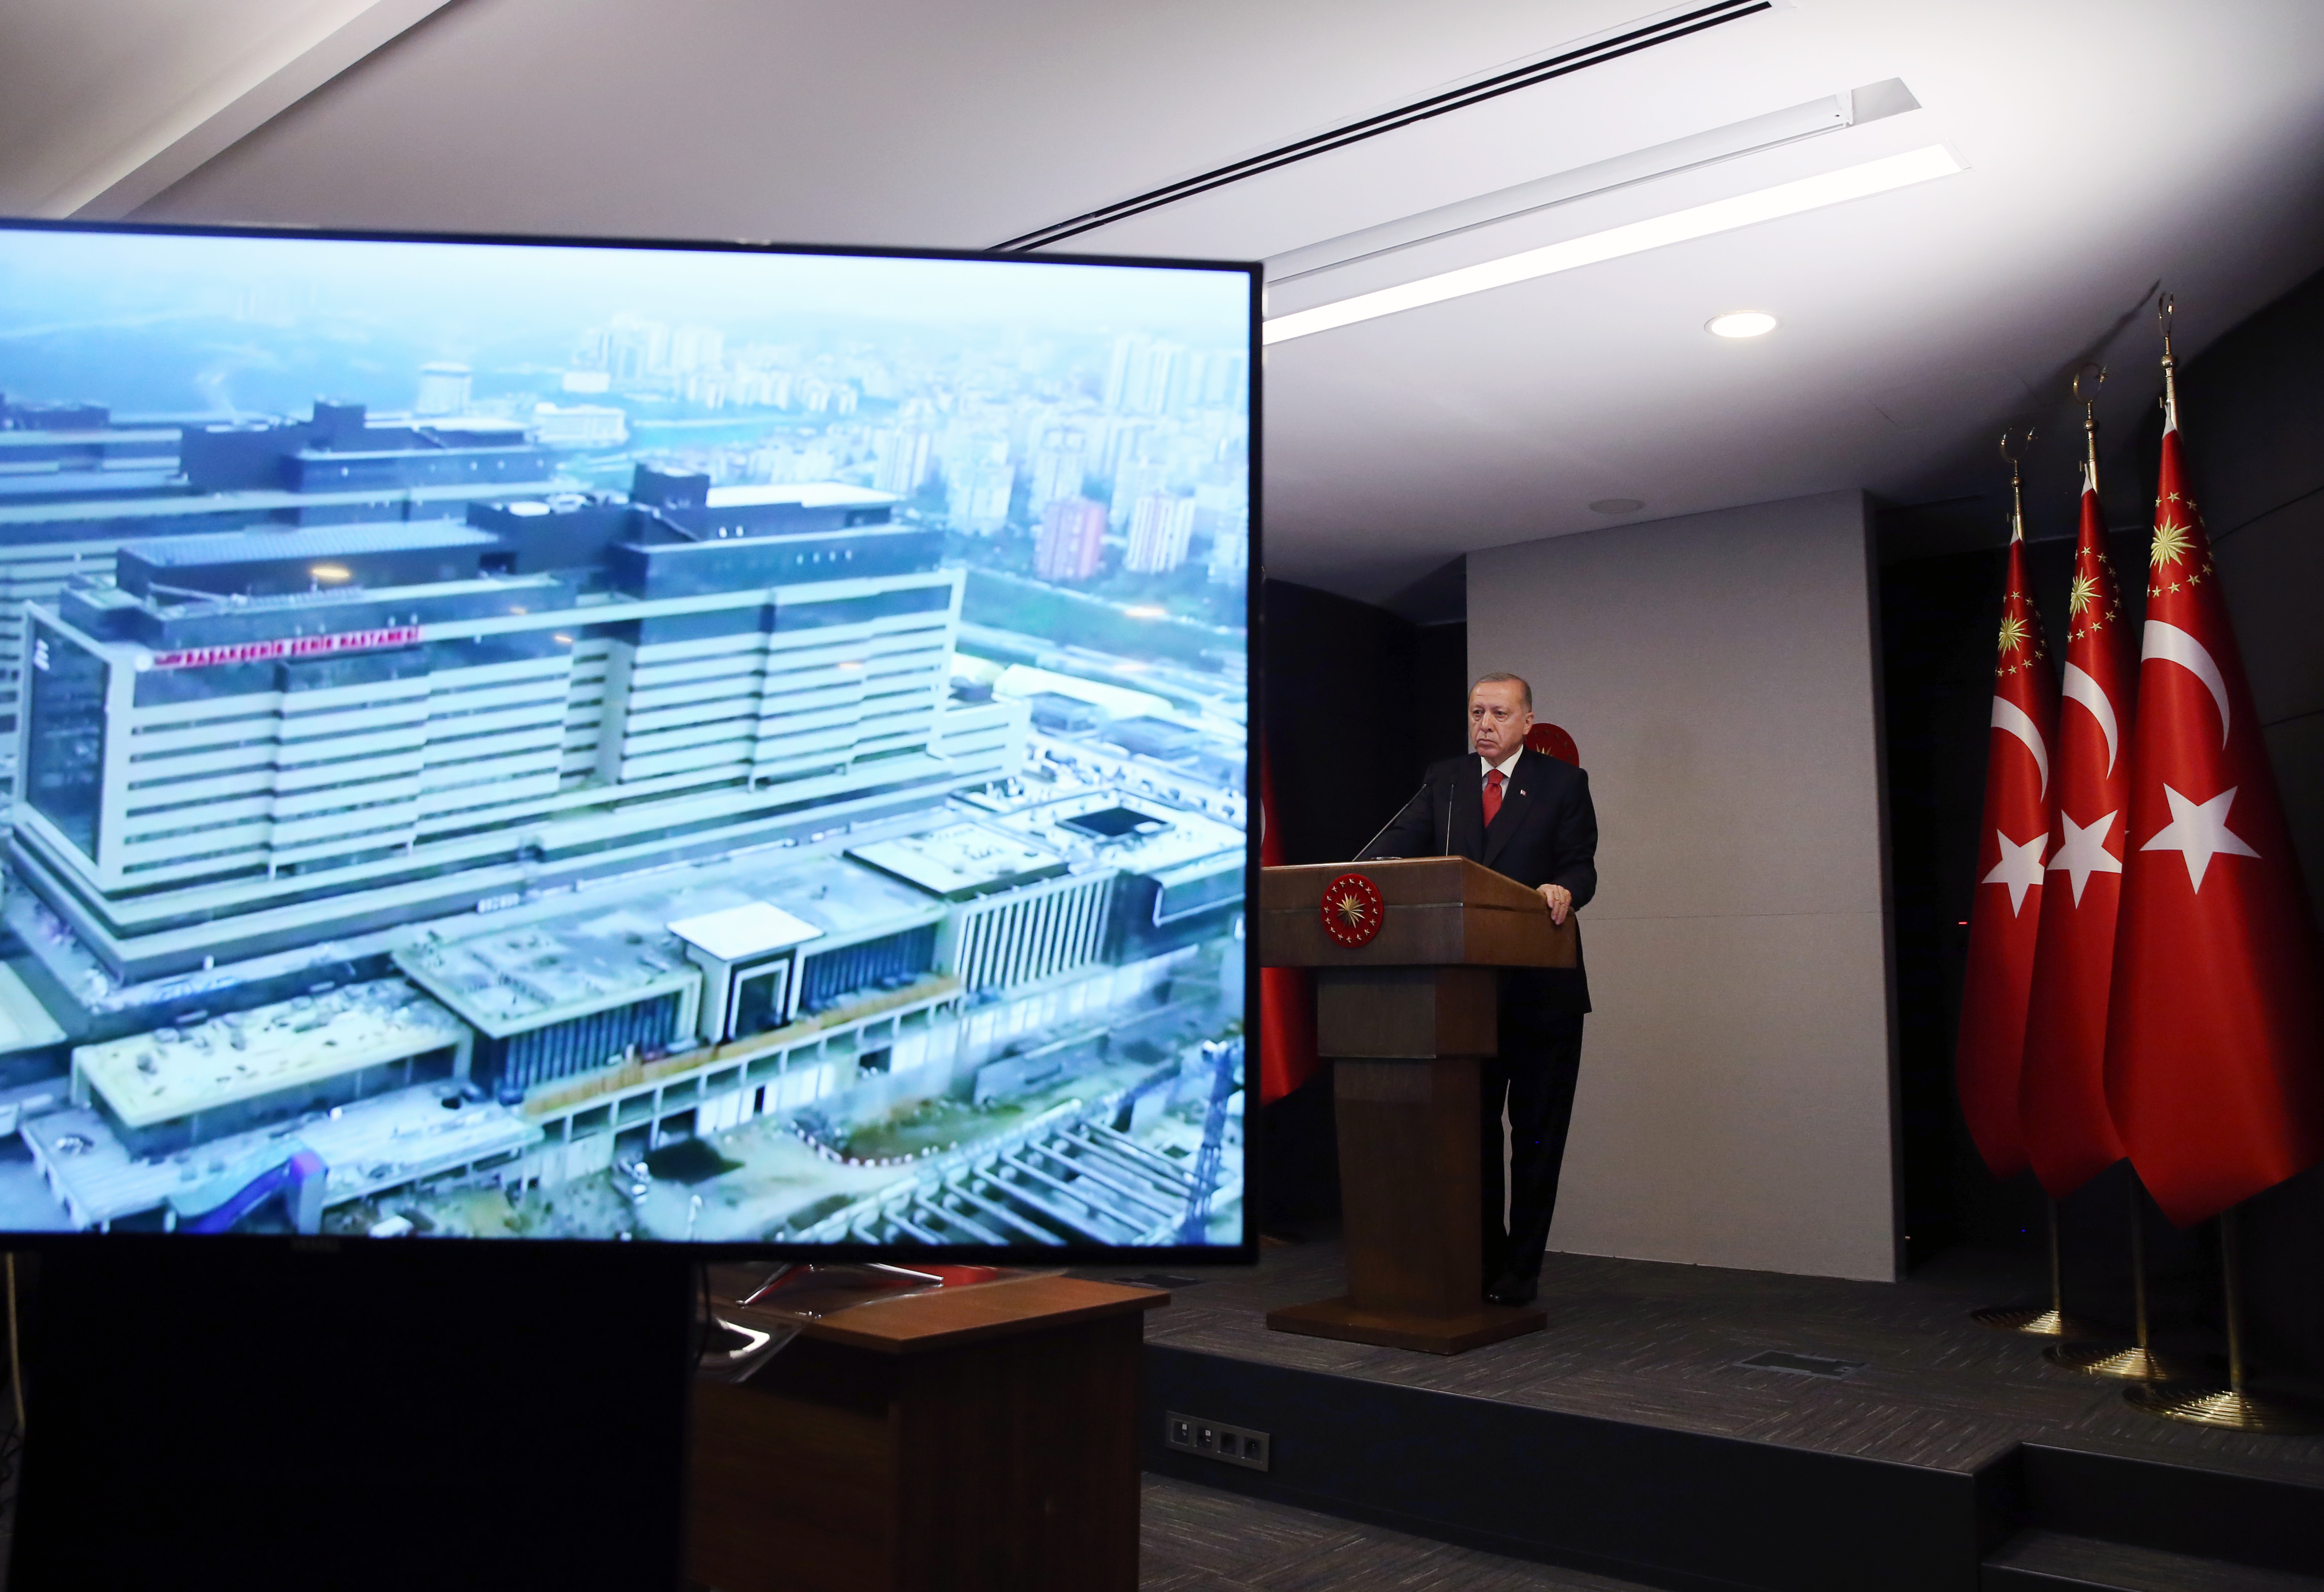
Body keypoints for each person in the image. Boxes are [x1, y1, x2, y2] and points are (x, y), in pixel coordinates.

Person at [1358, 671, 1596, 1306]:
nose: (1484, 725)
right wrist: (1364, 873)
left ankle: (1523, 1267)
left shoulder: (1562, 784)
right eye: (1475, 713)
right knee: (1475, 1132)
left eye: (1498, 714)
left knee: (1537, 1138)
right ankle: (1484, 1256)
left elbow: (1582, 865)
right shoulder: (1449, 781)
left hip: (1542, 993)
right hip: (1464, 996)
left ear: (1527, 722)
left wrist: (1564, 889)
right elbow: (1391, 847)